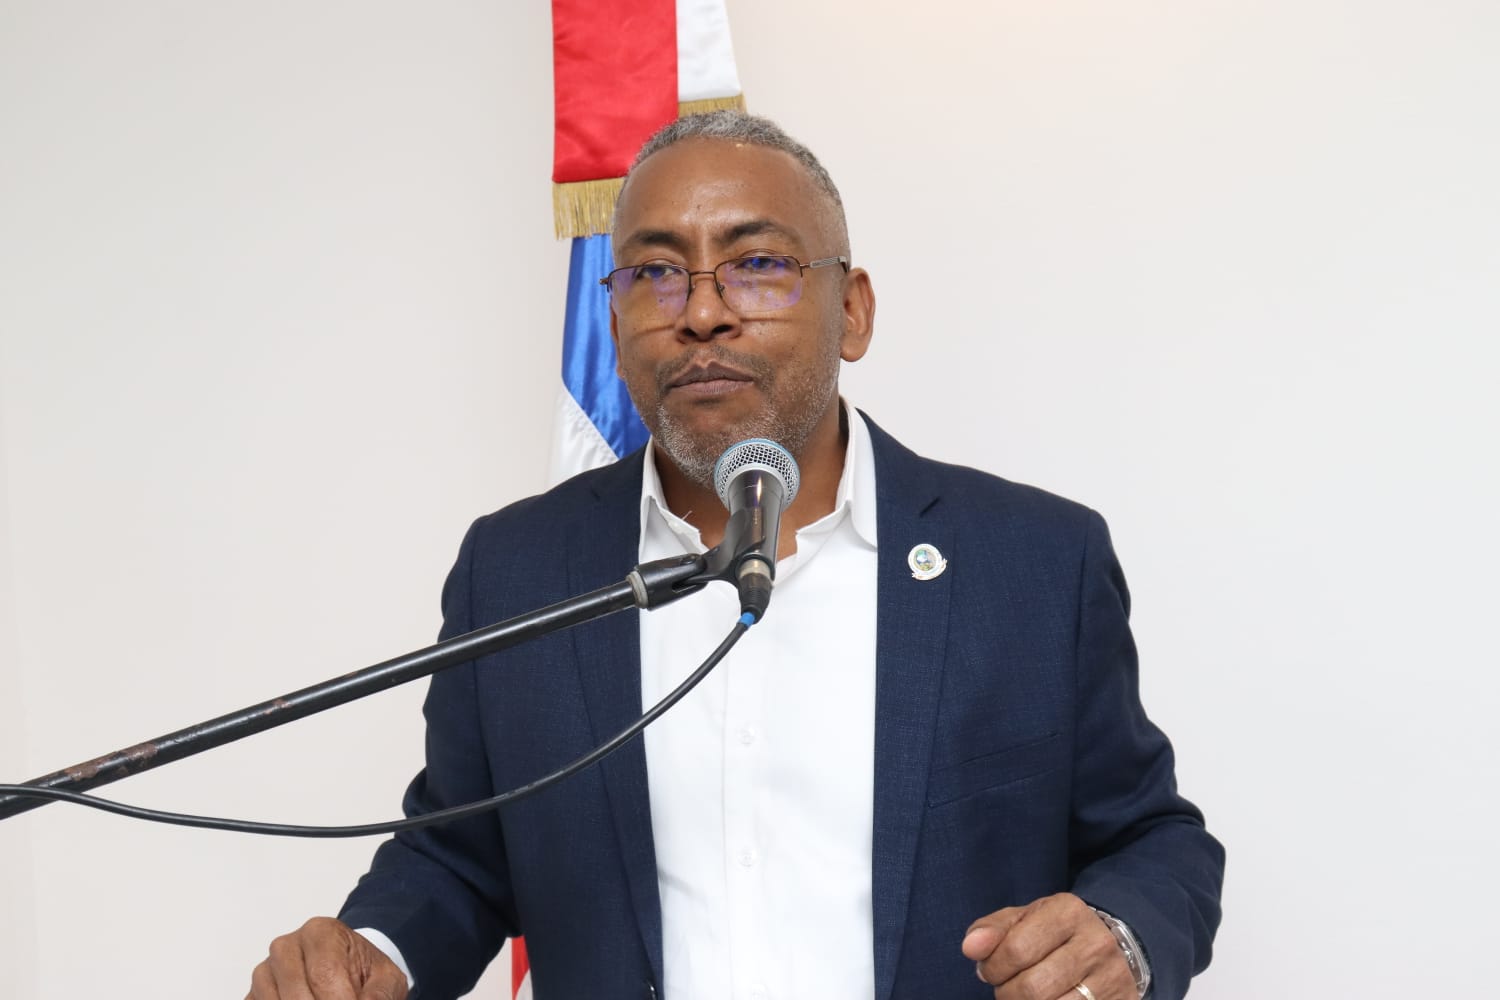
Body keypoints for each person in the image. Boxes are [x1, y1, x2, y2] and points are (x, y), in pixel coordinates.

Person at [248, 111, 1224, 1000]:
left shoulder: (1034, 562)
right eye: (655, 273)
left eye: (757, 264)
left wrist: (1120, 934)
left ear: (854, 311)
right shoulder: (518, 570)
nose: (702, 312)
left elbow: (1155, 840)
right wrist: (376, 950)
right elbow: (462, 855)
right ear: (615, 321)